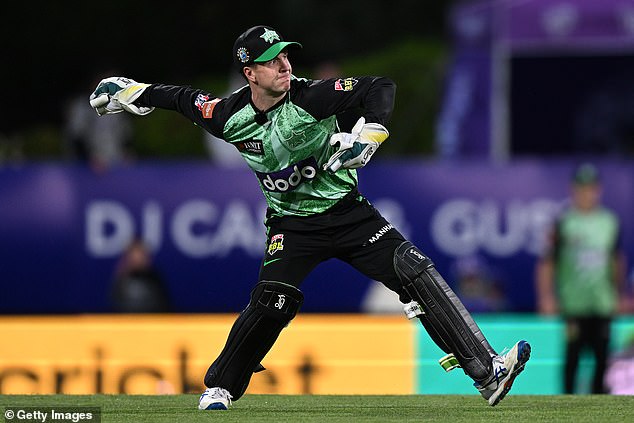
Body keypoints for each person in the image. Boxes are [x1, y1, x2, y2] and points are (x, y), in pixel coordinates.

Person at [89, 25, 530, 410]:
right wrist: (129, 92)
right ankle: (221, 388)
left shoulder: (311, 96)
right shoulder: (229, 116)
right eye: (270, 60)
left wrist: (370, 132)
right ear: (250, 74)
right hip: (292, 227)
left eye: (284, 54)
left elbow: (380, 87)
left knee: (412, 270)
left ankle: (487, 372)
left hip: (349, 214)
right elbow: (184, 99)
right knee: (271, 301)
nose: (283, 64)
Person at [536, 163, 627, 394]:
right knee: (573, 358)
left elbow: (616, 260)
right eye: (582, 188)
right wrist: (547, 297)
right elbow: (547, 262)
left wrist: (618, 294)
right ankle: (567, 408)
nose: (587, 193)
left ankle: (599, 409)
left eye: (591, 188)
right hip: (573, 304)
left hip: (602, 303)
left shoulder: (609, 222)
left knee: (602, 360)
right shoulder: (564, 222)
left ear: (598, 190)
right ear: (574, 190)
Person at [111, 237, 171, 313]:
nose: (137, 258)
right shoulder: (121, 280)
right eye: (134, 254)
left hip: (152, 322)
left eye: (140, 254)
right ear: (128, 257)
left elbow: (164, 304)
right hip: (127, 322)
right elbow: (116, 306)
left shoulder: (155, 278)